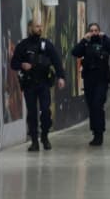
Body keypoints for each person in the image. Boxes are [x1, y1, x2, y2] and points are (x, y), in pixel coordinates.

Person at [10, 20, 66, 152]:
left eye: (41, 26)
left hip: (44, 83)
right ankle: (34, 141)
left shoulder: (46, 44)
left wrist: (61, 77)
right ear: (30, 28)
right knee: (32, 113)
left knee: (46, 111)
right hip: (29, 84)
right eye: (37, 26)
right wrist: (22, 65)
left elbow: (56, 61)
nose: (40, 28)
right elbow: (13, 63)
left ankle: (45, 137)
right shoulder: (23, 45)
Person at [71, 23, 110, 146]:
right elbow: (75, 52)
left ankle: (100, 134)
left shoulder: (104, 43)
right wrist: (83, 39)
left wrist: (105, 37)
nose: (94, 33)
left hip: (101, 80)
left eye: (96, 30)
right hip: (89, 80)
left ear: (99, 31)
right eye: (91, 30)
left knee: (98, 105)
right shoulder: (86, 44)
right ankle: (95, 132)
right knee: (92, 107)